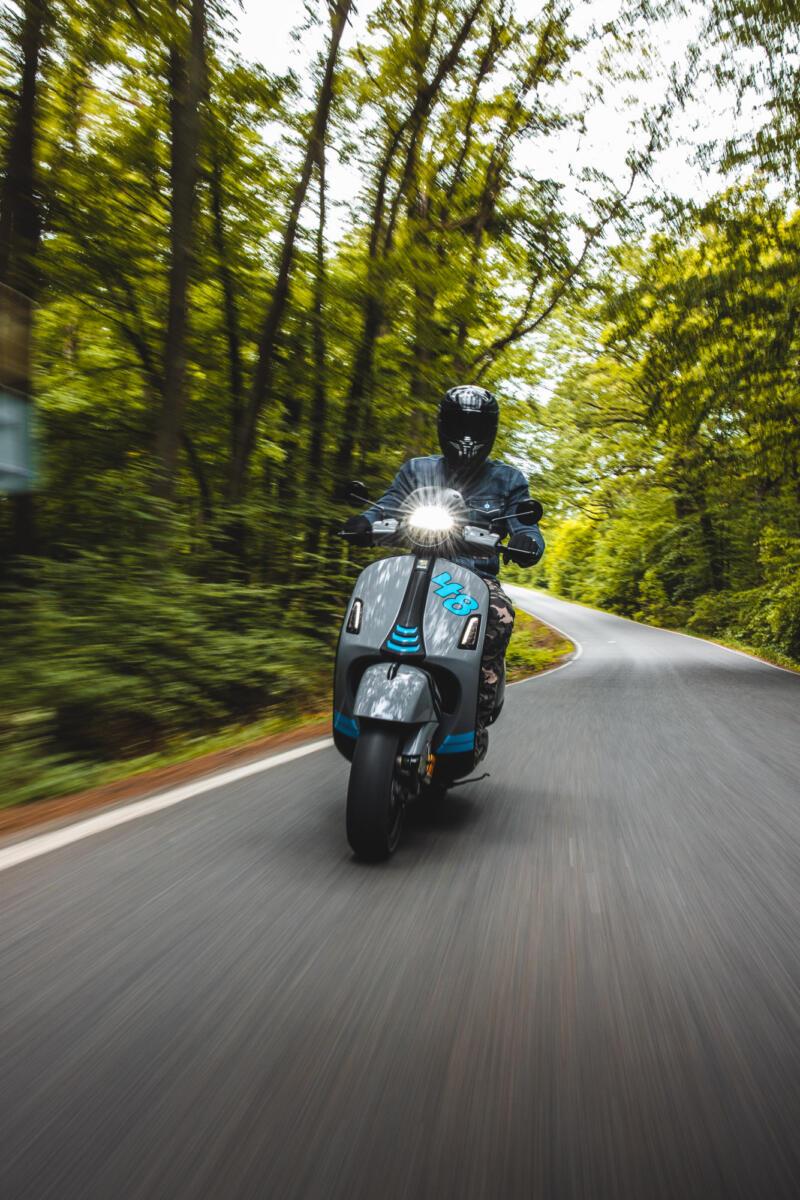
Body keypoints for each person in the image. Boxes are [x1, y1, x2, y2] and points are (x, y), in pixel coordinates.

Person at [342, 385, 544, 758]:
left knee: (500, 615)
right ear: (442, 425)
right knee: (365, 602)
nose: (466, 436)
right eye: (458, 425)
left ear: (490, 431)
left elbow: (526, 524)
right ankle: (353, 702)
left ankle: (476, 713)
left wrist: (527, 541)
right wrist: (363, 521)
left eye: (475, 428)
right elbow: (387, 505)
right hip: (412, 570)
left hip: (474, 579)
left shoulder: (508, 480)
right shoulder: (416, 470)